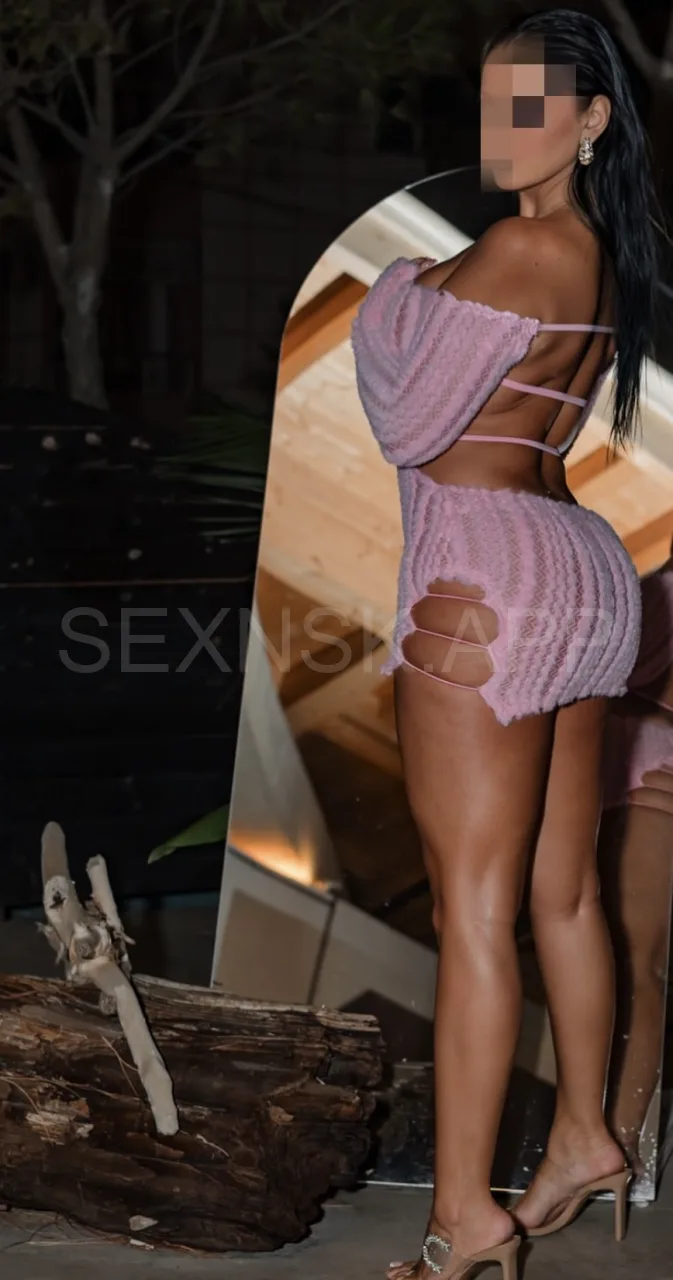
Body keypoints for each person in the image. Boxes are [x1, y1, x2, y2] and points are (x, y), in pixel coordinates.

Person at [350, 9, 661, 1278]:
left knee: (471, 908)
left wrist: (396, 289)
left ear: (589, 122)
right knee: (561, 890)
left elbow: (406, 413)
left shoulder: (523, 246)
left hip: (485, 573)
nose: (500, 126)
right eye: (489, 102)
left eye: (529, 105)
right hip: (575, 567)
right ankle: (585, 1131)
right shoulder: (592, 256)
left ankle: (461, 1216)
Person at [598, 549, 673, 1184]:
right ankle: (606, 1146)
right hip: (607, 774)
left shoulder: (655, 591)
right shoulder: (649, 585)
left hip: (647, 775)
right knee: (611, 966)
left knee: (631, 966)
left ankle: (619, 1148)